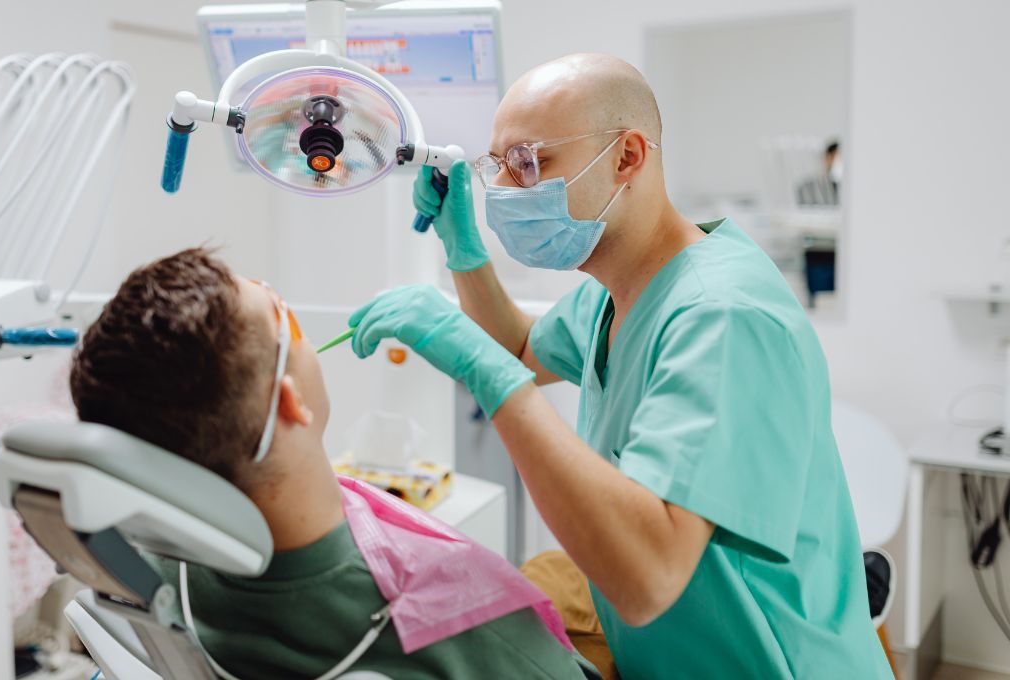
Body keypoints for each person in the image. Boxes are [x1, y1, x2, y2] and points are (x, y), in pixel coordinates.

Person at [347, 53, 891, 677]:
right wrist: (463, 249)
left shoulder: (722, 317)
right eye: (498, 165)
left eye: (530, 162)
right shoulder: (623, 287)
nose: (504, 190)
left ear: (627, 156)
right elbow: (523, 347)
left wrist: (486, 375)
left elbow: (648, 575)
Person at [68, 248, 597, 679]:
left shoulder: (145, 575)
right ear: (290, 400)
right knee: (570, 573)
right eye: (285, 316)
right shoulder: (470, 629)